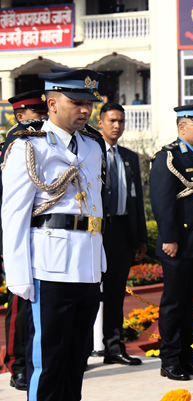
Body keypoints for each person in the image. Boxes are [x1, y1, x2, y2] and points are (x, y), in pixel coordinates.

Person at [1, 67, 106, 401]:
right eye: (76, 102)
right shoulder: (29, 147)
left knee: (76, 361)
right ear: (52, 103)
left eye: (89, 103)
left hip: (87, 266)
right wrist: (19, 276)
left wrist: (100, 262)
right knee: (47, 364)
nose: (86, 110)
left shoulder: (92, 146)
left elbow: (95, 210)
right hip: (49, 267)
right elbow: (15, 213)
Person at [149, 104, 193, 381]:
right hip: (178, 243)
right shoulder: (168, 157)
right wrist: (169, 238)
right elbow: (162, 202)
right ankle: (170, 360)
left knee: (191, 304)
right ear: (181, 128)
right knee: (174, 304)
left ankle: (187, 358)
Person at [93, 102, 148, 365]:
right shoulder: (91, 152)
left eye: (121, 121)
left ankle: (113, 348)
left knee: (115, 293)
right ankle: (82, 350)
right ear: (100, 122)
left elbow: (137, 201)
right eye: (112, 121)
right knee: (89, 292)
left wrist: (140, 238)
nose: (117, 126)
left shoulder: (129, 157)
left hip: (123, 231)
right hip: (96, 233)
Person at [3, 90, 49, 392]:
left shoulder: (44, 143)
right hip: (15, 236)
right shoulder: (13, 147)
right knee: (19, 305)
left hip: (40, 236)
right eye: (34, 113)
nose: (41, 118)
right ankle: (16, 364)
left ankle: (32, 363)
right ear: (20, 116)